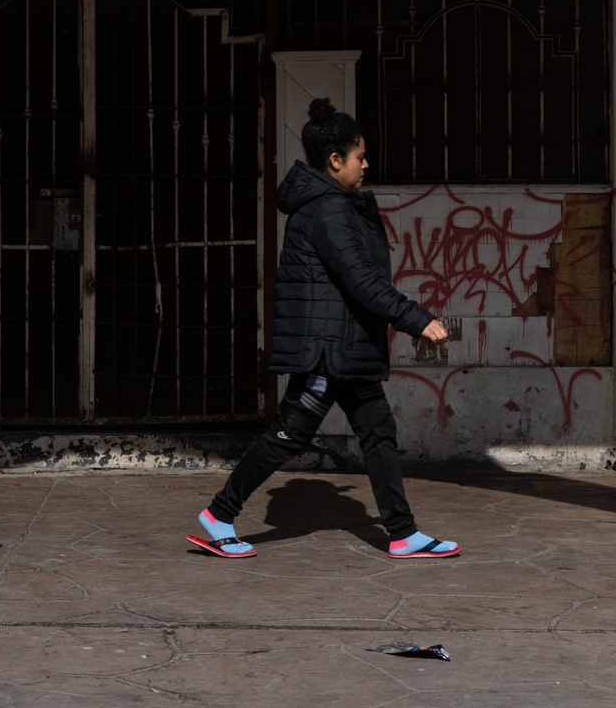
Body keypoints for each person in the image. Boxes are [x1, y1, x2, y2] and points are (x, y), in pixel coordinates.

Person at [189, 99, 460, 559]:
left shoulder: (332, 204)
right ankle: (219, 513)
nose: (366, 164)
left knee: (378, 434)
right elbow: (362, 281)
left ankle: (402, 533)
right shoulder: (329, 209)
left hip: (346, 346)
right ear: (335, 160)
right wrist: (418, 320)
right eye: (360, 156)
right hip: (328, 352)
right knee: (290, 435)